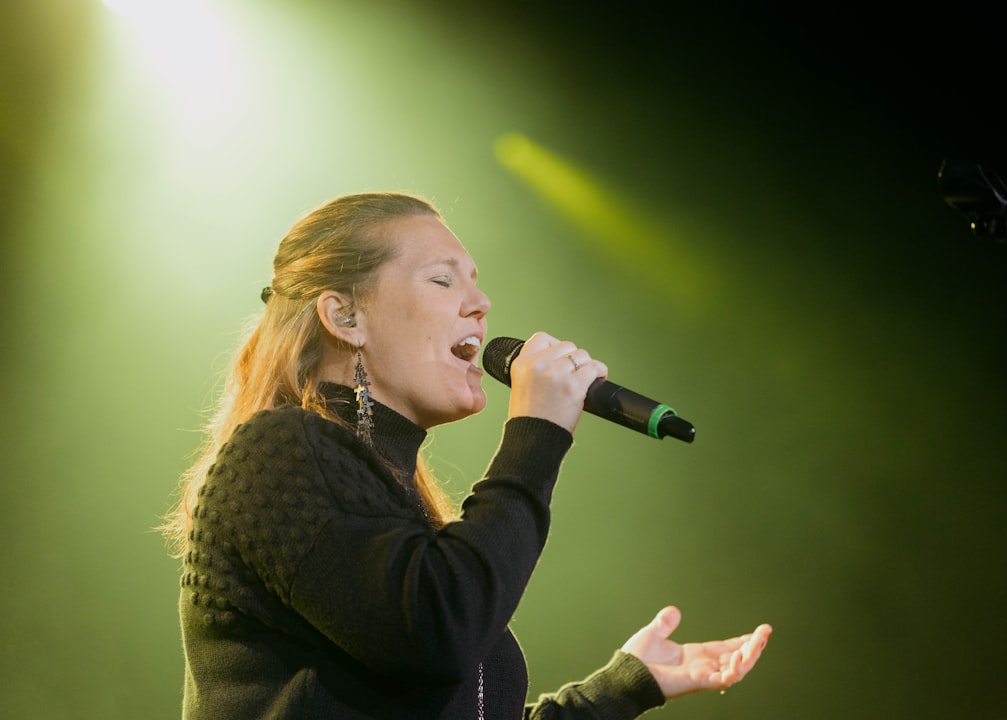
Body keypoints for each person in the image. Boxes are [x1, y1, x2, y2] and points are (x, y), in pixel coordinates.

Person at [163, 192, 772, 718]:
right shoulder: (278, 450)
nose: (480, 304)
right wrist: (537, 431)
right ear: (345, 315)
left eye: (477, 281)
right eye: (443, 279)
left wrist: (627, 684)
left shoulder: (396, 506)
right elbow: (437, 631)